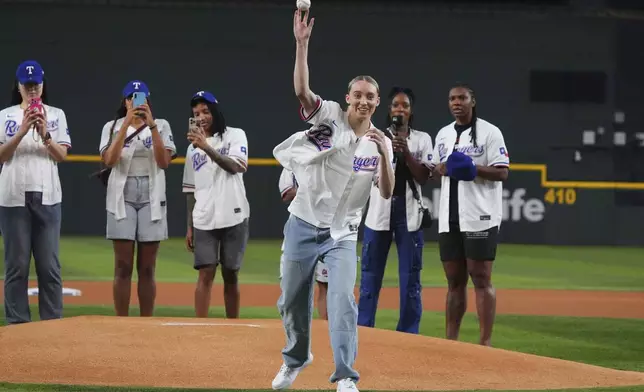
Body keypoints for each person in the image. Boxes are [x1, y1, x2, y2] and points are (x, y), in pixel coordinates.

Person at [270, 9, 395, 392]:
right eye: (357, 94)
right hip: (303, 221)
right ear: (348, 98)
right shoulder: (328, 116)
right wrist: (301, 44)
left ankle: (345, 376)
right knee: (292, 300)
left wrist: (387, 157)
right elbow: (302, 92)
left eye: (370, 96)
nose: (363, 100)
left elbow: (387, 192)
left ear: (376, 103)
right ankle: (296, 359)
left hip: (342, 233)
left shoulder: (380, 142)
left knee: (342, 301)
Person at [429, 83, 510, 347]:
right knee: (454, 281)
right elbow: (436, 169)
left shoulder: (490, 132)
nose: (456, 102)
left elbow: (502, 172)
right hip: (449, 215)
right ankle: (451, 342)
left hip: (480, 216)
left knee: (481, 277)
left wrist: (472, 168)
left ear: (472, 101)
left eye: (462, 98)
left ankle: (485, 343)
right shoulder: (442, 134)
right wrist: (439, 169)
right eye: (452, 98)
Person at [0, 60, 71, 325]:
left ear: (42, 85)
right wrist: (20, 132)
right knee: (16, 267)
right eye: (27, 85)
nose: (32, 89)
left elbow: (62, 155)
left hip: (48, 195)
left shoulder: (56, 115)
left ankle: (51, 325)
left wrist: (45, 134)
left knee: (49, 268)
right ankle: (18, 326)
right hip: (13, 197)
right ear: (18, 86)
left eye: (36, 84)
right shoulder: (5, 115)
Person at [358, 86, 433, 334]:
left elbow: (423, 176)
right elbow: (365, 175)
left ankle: (408, 334)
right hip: (379, 211)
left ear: (411, 112)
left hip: (408, 213)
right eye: (396, 105)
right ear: (388, 110)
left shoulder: (422, 139)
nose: (400, 109)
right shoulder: (373, 137)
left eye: (405, 106)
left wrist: (406, 152)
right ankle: (364, 328)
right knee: (369, 276)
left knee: (411, 279)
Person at [99, 80, 176, 317]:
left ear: (148, 100)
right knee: (122, 266)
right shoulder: (111, 126)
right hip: (122, 194)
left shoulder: (161, 125)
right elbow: (109, 160)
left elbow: (164, 162)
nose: (136, 101)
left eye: (140, 97)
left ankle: (146, 323)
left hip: (151, 193)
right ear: (125, 101)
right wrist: (125, 125)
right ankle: (121, 321)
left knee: (147, 267)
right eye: (131, 97)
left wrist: (150, 125)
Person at [182, 90, 249, 319]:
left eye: (206, 111)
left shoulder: (235, 135)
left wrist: (206, 147)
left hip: (234, 213)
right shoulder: (192, 149)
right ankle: (200, 328)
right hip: (203, 216)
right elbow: (190, 190)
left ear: (215, 111)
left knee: (231, 273)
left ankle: (234, 327)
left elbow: (235, 167)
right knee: (205, 272)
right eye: (196, 113)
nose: (201, 117)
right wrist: (189, 225)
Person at [277, 166, 328, 321]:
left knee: (326, 286)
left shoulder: (334, 155)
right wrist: (317, 190)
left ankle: (326, 334)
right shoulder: (294, 158)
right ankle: (295, 336)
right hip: (300, 227)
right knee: (293, 288)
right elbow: (286, 193)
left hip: (328, 227)